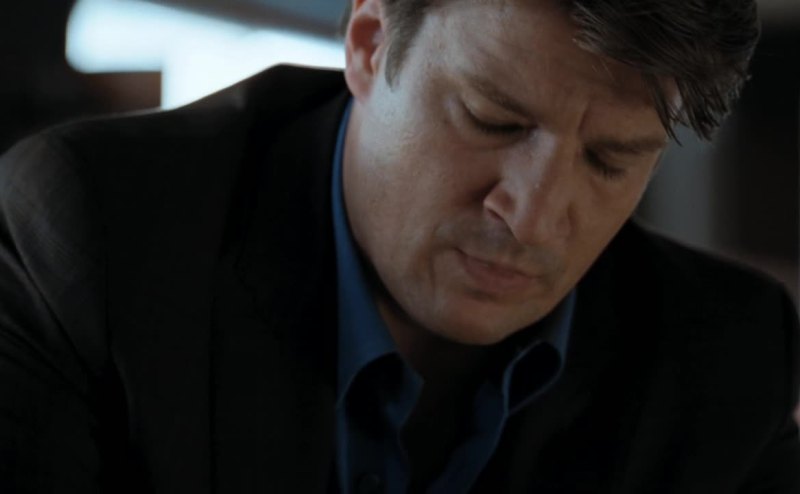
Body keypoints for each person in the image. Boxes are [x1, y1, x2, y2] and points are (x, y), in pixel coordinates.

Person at [0, 0, 797, 492]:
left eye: (609, 160)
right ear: (369, 43)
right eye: (491, 120)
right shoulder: (93, 238)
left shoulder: (727, 361)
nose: (533, 218)